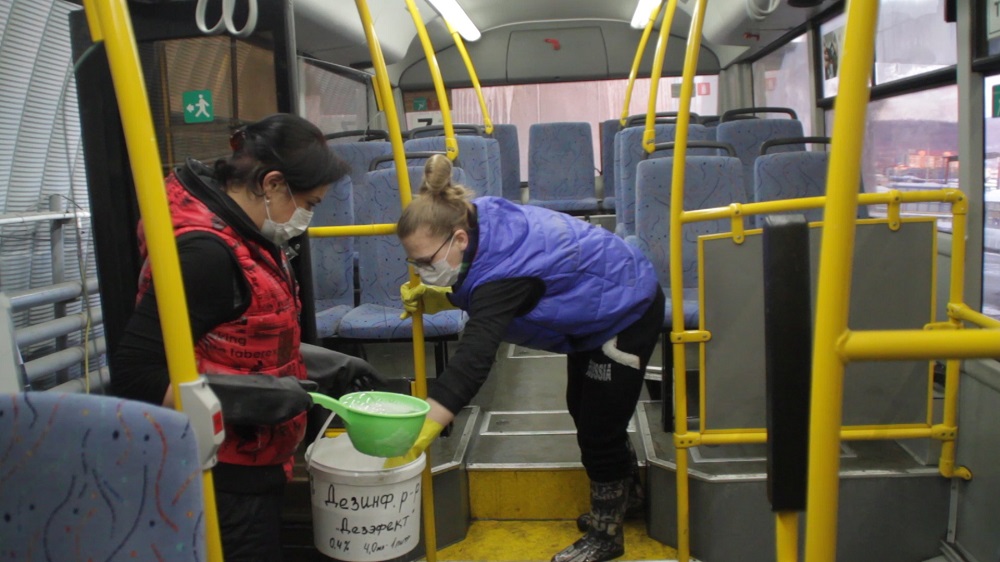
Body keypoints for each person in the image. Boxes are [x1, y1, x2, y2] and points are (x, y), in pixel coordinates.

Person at [110, 113, 383, 561]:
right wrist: (252, 399)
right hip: (219, 473)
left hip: (255, 461)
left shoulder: (245, 232)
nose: (308, 218)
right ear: (272, 184)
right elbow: (134, 375)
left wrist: (323, 363)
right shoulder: (205, 254)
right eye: (309, 202)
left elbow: (244, 334)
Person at [390, 154, 665, 562]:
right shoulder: (472, 219)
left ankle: (607, 536)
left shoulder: (504, 269)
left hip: (626, 308)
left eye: (426, 263)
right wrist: (442, 294)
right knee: (584, 407)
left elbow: (475, 356)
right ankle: (629, 498)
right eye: (414, 263)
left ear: (459, 239)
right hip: (591, 309)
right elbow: (486, 285)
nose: (422, 270)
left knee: (600, 427)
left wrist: (428, 423)